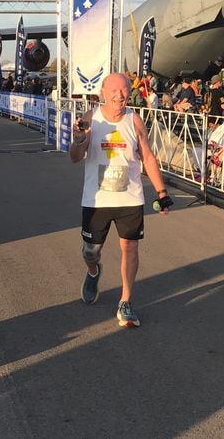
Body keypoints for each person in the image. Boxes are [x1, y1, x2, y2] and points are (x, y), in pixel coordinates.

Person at [69, 73, 171, 327]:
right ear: (103, 91)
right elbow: (74, 157)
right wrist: (80, 140)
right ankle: (94, 272)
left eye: (124, 90)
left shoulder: (134, 120)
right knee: (91, 251)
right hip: (97, 198)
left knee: (130, 248)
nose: (120, 95)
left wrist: (162, 192)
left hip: (130, 197)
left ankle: (125, 301)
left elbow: (147, 157)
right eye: (114, 90)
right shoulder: (90, 118)